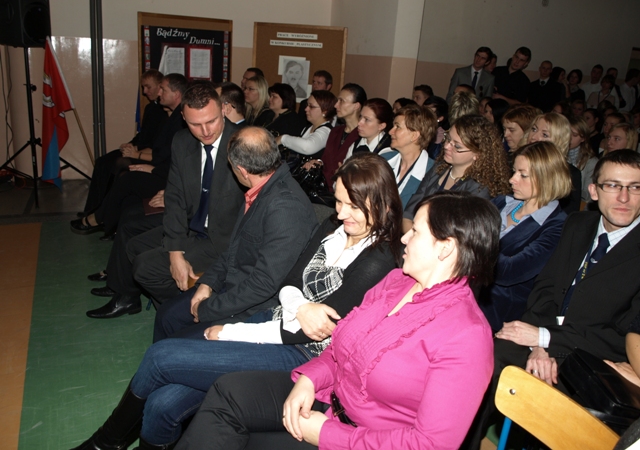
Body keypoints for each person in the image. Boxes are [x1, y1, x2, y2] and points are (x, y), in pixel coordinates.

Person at [70, 153, 403, 450]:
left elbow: (311, 332)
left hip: (302, 355)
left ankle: (105, 442)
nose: (340, 213)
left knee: (159, 357)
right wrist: (301, 306)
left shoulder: (380, 258)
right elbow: (288, 283)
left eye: (352, 206)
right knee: (162, 404)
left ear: (382, 203)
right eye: (339, 202)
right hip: (276, 322)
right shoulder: (334, 227)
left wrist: (232, 332)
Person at [176, 191, 501, 450]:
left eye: (415, 231)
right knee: (228, 392)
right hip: (327, 401)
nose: (404, 238)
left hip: (362, 439)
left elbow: (429, 444)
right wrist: (308, 380)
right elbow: (339, 348)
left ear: (445, 249)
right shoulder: (395, 282)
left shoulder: (467, 336)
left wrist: (328, 435)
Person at [463, 149, 640, 449]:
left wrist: (546, 339)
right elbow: (545, 290)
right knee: (486, 363)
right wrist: (538, 342)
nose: (624, 197)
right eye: (613, 185)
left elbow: (620, 336)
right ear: (594, 191)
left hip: (590, 361)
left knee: (551, 409)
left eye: (635, 187)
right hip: (544, 335)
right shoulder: (579, 224)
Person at [85, 82, 246, 318]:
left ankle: (185, 315)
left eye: (211, 121)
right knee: (133, 245)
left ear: (223, 109)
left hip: (225, 239)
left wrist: (177, 252)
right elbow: (176, 197)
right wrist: (175, 251)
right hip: (194, 226)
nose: (205, 131)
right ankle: (135, 299)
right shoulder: (182, 141)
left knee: (145, 267)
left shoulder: (245, 142)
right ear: (183, 118)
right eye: (195, 124)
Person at [153, 126, 318, 340]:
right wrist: (207, 283)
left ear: (242, 170)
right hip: (236, 287)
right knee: (167, 316)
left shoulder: (286, 208)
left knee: (171, 349)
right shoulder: (261, 189)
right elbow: (234, 249)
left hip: (258, 308)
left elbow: (264, 285)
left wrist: (208, 308)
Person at [70, 73, 188, 236]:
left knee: (128, 178)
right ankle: (110, 221)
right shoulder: (173, 117)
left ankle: (99, 219)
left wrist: (150, 166)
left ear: (176, 95)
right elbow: (159, 148)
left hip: (170, 176)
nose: (159, 93)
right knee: (123, 172)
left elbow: (172, 158)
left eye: (163, 89)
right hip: (164, 169)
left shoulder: (180, 119)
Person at [479, 142, 570, 332]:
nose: (512, 180)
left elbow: (509, 271)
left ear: (547, 178)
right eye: (514, 172)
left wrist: (471, 246)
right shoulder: (502, 203)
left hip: (498, 308)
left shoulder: (557, 226)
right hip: (469, 290)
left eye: (523, 175)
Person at [79, 69, 168, 219]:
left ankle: (105, 209)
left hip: (146, 151)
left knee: (118, 163)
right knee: (102, 162)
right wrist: (130, 144)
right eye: (143, 87)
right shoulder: (150, 107)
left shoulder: (164, 111)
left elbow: (156, 142)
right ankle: (94, 207)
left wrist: (136, 150)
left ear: (160, 86)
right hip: (139, 147)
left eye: (148, 87)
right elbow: (143, 134)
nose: (145, 91)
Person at [403, 115, 511, 232]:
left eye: (457, 146)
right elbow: (408, 214)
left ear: (478, 154)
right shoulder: (439, 168)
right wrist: (413, 236)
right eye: (448, 138)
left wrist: (419, 238)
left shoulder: (480, 188)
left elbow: (458, 234)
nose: (446, 146)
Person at [304, 84, 367, 188]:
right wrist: (317, 162)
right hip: (323, 189)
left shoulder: (362, 136)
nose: (336, 105)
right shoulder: (335, 131)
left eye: (341, 101)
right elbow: (326, 159)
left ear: (356, 106)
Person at [524, 113, 582, 213]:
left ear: (558, 141)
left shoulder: (570, 174)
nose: (534, 137)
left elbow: (569, 214)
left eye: (545, 135)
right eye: (534, 129)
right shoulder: (516, 164)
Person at [381, 105, 436, 209]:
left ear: (414, 136)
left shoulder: (433, 172)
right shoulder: (384, 159)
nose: (390, 131)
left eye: (397, 127)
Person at [278, 90, 337, 160]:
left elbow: (307, 147)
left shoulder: (326, 131)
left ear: (325, 111)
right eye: (307, 105)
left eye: (311, 106)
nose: (306, 109)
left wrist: (282, 138)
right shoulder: (308, 127)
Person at [567, 116, 598, 205]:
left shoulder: (591, 162)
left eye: (574, 135)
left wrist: (568, 188)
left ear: (583, 138)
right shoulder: (554, 155)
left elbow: (588, 195)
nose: (569, 137)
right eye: (566, 133)